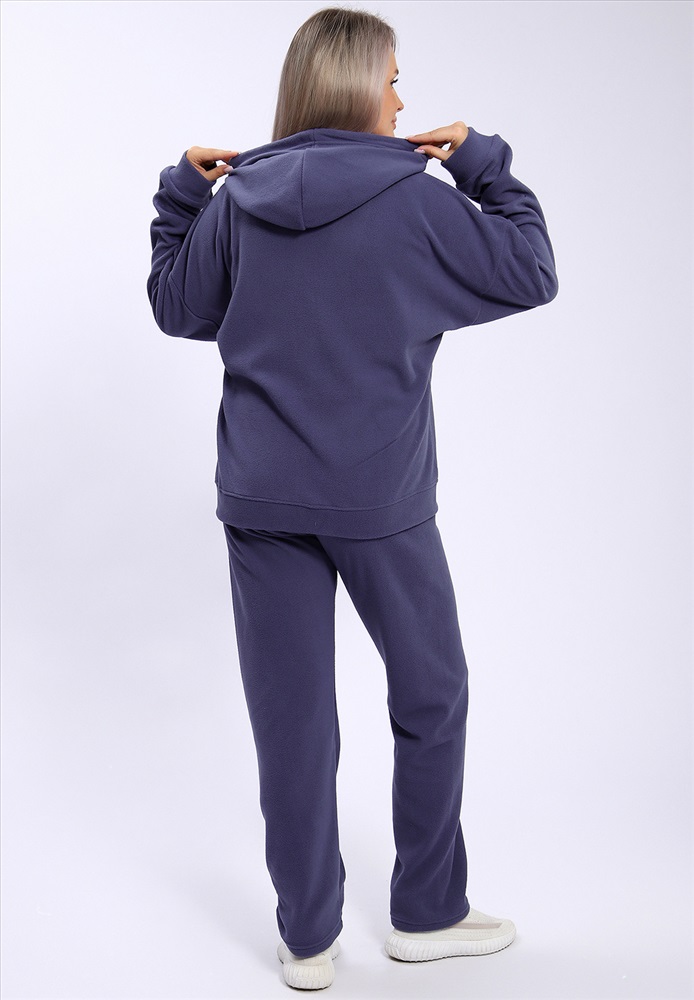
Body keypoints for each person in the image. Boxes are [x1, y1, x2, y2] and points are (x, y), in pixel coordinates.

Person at [147, 5, 558, 991]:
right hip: (381, 501)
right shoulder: (416, 202)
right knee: (432, 694)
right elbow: (531, 270)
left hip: (261, 501)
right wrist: (483, 162)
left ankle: (307, 940)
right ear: (357, 87)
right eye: (393, 79)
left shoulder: (236, 203)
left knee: (291, 724)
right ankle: (427, 913)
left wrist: (181, 196)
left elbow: (175, 307)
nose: (402, 101)